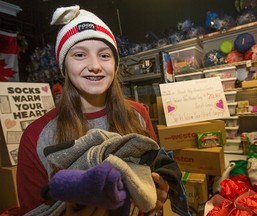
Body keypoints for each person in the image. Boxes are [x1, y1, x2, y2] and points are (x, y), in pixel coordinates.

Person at [16, 5, 173, 216]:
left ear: (115, 63)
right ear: (64, 65)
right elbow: (32, 210)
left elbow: (149, 182)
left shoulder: (137, 115)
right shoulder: (35, 137)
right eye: (80, 55)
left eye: (105, 55)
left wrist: (156, 196)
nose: (95, 65)